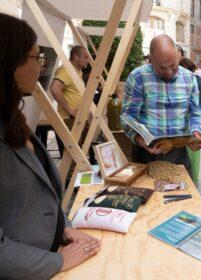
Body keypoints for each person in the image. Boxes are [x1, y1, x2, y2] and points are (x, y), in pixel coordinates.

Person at [0, 13, 101, 279]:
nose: (41, 66)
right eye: (37, 57)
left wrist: (64, 227)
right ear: (9, 61)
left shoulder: (13, 119)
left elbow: (36, 198)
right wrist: (55, 261)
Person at [121, 35, 201, 177]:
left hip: (179, 154)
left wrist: (195, 134)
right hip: (145, 155)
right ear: (151, 60)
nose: (169, 72)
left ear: (178, 54)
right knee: (147, 198)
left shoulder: (190, 78)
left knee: (182, 198)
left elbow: (195, 114)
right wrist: (139, 139)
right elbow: (127, 117)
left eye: (173, 66)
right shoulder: (138, 77)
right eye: (162, 68)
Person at [50, 46, 89, 157]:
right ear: (76, 57)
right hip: (69, 120)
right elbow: (54, 88)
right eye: (85, 57)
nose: (88, 60)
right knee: (71, 160)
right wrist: (70, 110)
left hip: (77, 119)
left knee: (78, 158)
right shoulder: (66, 69)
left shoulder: (77, 71)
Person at [179, 57, 201, 185]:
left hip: (191, 126)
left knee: (191, 154)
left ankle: (192, 179)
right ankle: (193, 179)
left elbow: (196, 107)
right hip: (192, 126)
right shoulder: (196, 79)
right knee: (192, 155)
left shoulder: (193, 80)